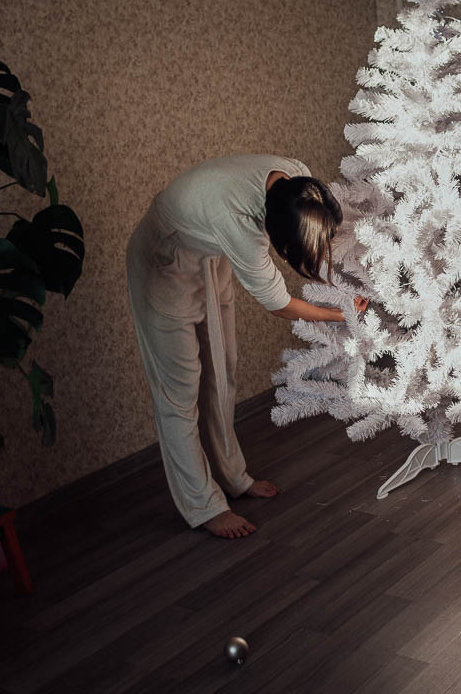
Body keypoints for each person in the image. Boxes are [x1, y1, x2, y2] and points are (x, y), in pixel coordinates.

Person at [126, 154, 367, 539]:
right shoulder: (239, 226)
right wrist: (339, 316)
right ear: (272, 237)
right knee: (180, 392)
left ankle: (233, 477)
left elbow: (315, 241)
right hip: (164, 262)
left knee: (223, 370)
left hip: (208, 252)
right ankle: (202, 505)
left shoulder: (301, 182)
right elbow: (280, 305)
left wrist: (340, 292)